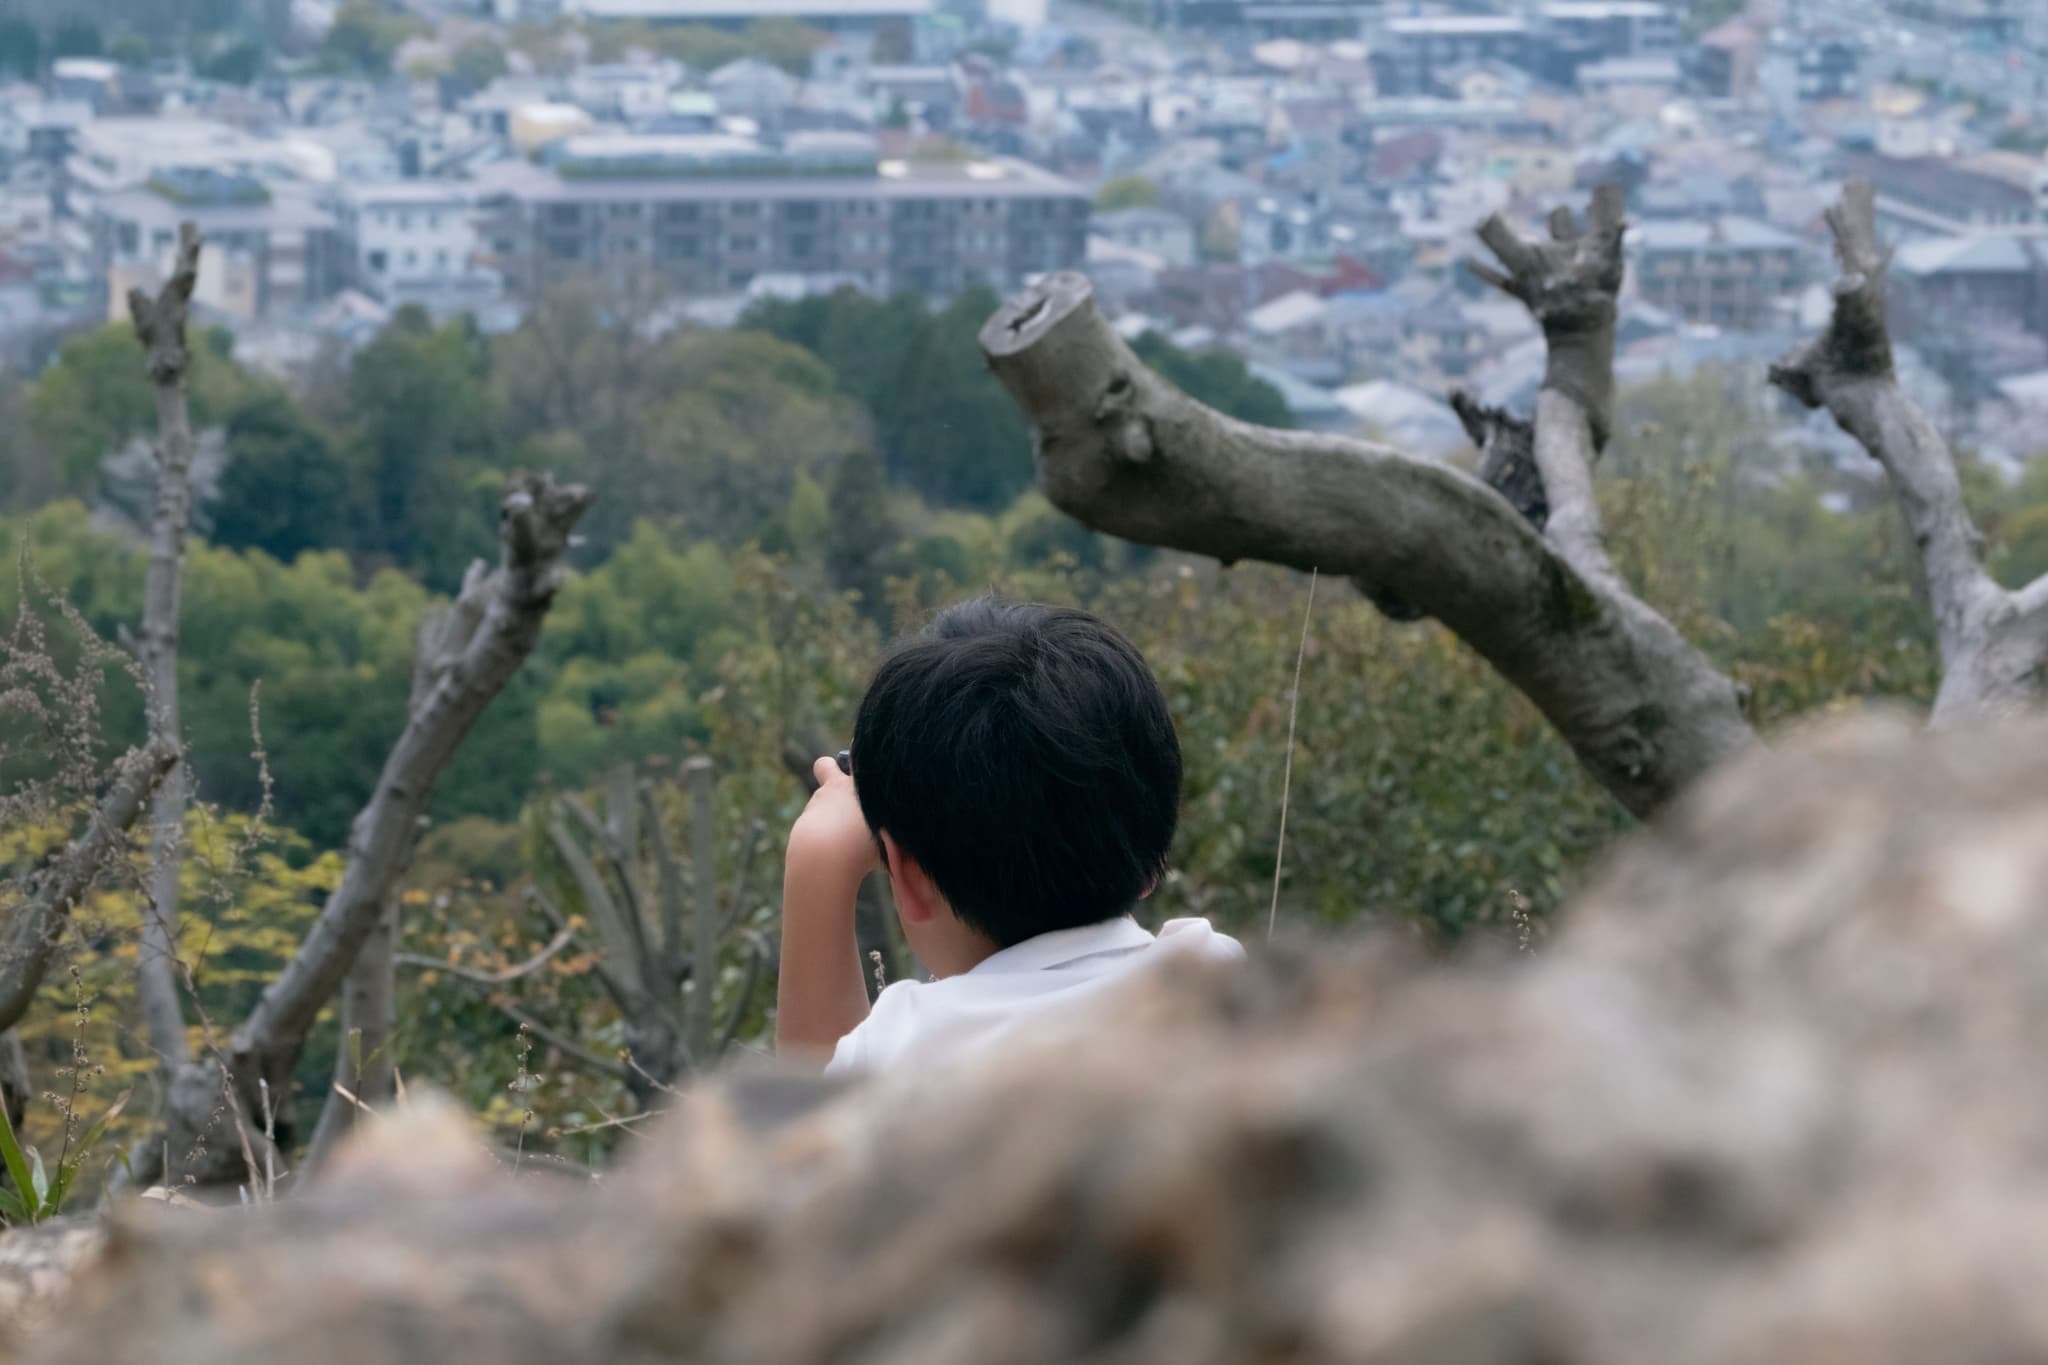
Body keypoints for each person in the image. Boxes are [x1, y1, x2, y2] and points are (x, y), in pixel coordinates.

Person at [776, 595, 1245, 1077]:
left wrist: (819, 863)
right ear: (1153, 856)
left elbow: (802, 1129)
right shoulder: (1227, 986)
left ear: (911, 879)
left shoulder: (908, 1048)